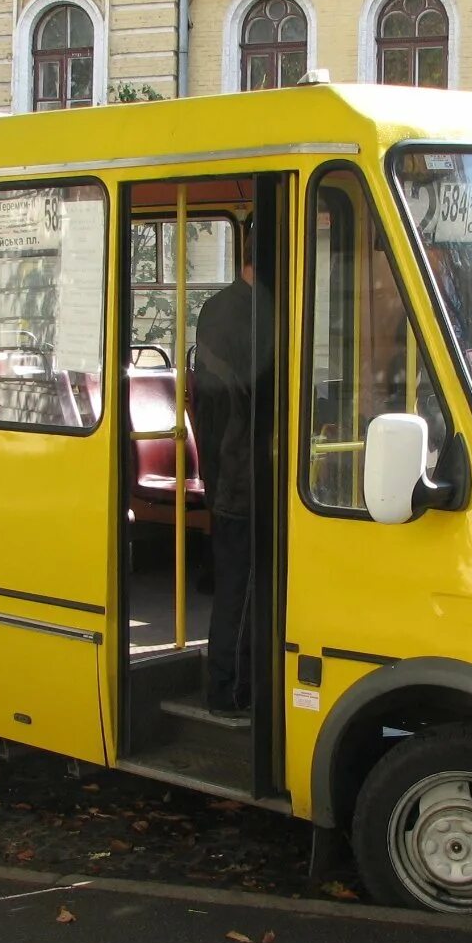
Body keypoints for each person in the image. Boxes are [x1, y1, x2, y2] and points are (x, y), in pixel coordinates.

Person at [192, 231, 268, 717]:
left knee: (235, 586)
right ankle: (228, 690)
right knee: (241, 590)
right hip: (245, 474)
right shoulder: (255, 314)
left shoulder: (217, 308)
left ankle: (232, 685)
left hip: (228, 468)